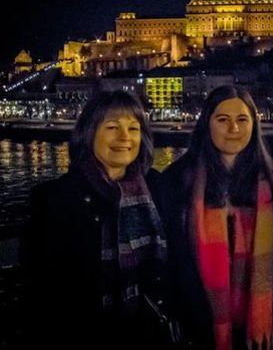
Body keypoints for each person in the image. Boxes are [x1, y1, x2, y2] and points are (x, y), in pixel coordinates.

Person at [156, 85, 273, 350]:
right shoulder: (176, 183)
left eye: (242, 120)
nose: (233, 129)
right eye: (223, 120)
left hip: (258, 332)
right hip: (197, 329)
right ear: (206, 124)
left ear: (253, 126)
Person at [23, 91, 169, 349]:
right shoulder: (55, 198)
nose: (125, 138)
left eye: (133, 128)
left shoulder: (158, 186)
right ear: (89, 133)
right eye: (112, 127)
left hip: (149, 335)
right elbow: (44, 295)